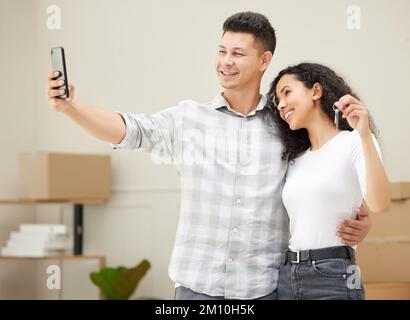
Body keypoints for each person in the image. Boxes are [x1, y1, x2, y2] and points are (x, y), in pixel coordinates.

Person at [46, 12, 371, 300]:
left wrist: (360, 217)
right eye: (222, 51)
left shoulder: (289, 127)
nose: (226, 61)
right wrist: (70, 107)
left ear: (264, 60)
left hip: (263, 289)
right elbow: (129, 129)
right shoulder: (188, 119)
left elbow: (326, 170)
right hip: (194, 288)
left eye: (238, 53)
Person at [267, 62, 391, 300]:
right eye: (277, 101)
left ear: (316, 91)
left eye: (287, 92)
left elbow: (380, 204)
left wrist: (364, 133)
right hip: (287, 276)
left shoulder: (355, 141)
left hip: (334, 274)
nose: (281, 105)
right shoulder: (294, 160)